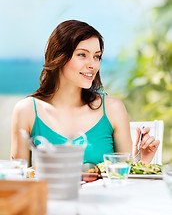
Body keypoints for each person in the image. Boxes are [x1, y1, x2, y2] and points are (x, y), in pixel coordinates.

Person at [11, 20, 160, 165]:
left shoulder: (113, 109)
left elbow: (123, 178)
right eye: (82, 55)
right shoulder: (26, 111)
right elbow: (18, 180)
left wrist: (143, 160)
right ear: (58, 57)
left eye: (96, 56)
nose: (92, 65)